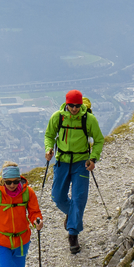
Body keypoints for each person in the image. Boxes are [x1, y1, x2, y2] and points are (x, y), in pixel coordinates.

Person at [45, 89, 104, 254]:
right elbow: (49, 135)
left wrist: (93, 159)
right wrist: (49, 148)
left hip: (81, 163)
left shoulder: (88, 119)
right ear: (66, 103)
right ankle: (73, 216)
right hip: (62, 161)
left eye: (77, 106)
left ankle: (73, 235)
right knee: (57, 197)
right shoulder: (58, 117)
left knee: (79, 199)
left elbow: (98, 140)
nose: (74, 109)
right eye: (71, 105)